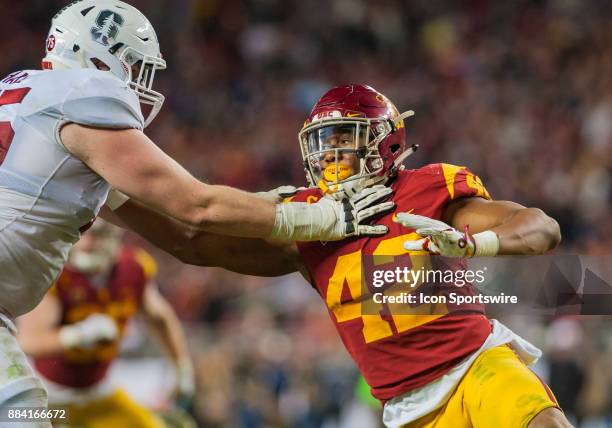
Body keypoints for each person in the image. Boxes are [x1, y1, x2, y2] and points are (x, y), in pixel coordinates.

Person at [0, 0, 392, 413]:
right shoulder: (81, 95)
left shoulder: (36, 116)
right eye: (131, 65)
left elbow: (186, 238)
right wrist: (323, 216)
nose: (134, 80)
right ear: (96, 56)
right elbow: (195, 205)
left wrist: (280, 222)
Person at [115, 84, 572, 427]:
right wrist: (108, 200)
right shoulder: (308, 219)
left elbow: (540, 228)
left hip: (477, 365)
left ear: (384, 142)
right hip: (408, 408)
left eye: (342, 138)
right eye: (322, 141)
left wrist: (475, 244)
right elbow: (191, 241)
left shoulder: (427, 188)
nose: (329, 153)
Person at [17, 219, 194, 428]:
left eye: (97, 234)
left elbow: (160, 317)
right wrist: (78, 335)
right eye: (83, 233)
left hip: (98, 392)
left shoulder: (134, 268)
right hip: (49, 397)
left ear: (116, 234)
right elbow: (28, 341)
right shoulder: (57, 273)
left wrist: (181, 366)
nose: (86, 243)